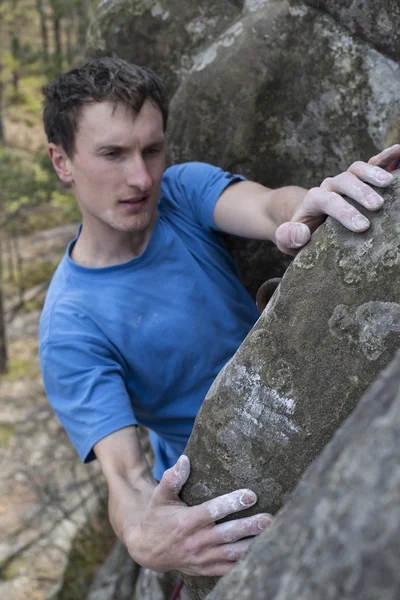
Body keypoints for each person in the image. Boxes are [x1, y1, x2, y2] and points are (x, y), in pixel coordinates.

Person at [39, 56, 399, 577]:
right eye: (113, 154)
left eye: (152, 149)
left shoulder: (179, 193)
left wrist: (310, 205)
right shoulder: (70, 326)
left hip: (296, 390)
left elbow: (270, 205)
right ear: (62, 161)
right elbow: (125, 477)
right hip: (222, 472)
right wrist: (142, 535)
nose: (141, 177)